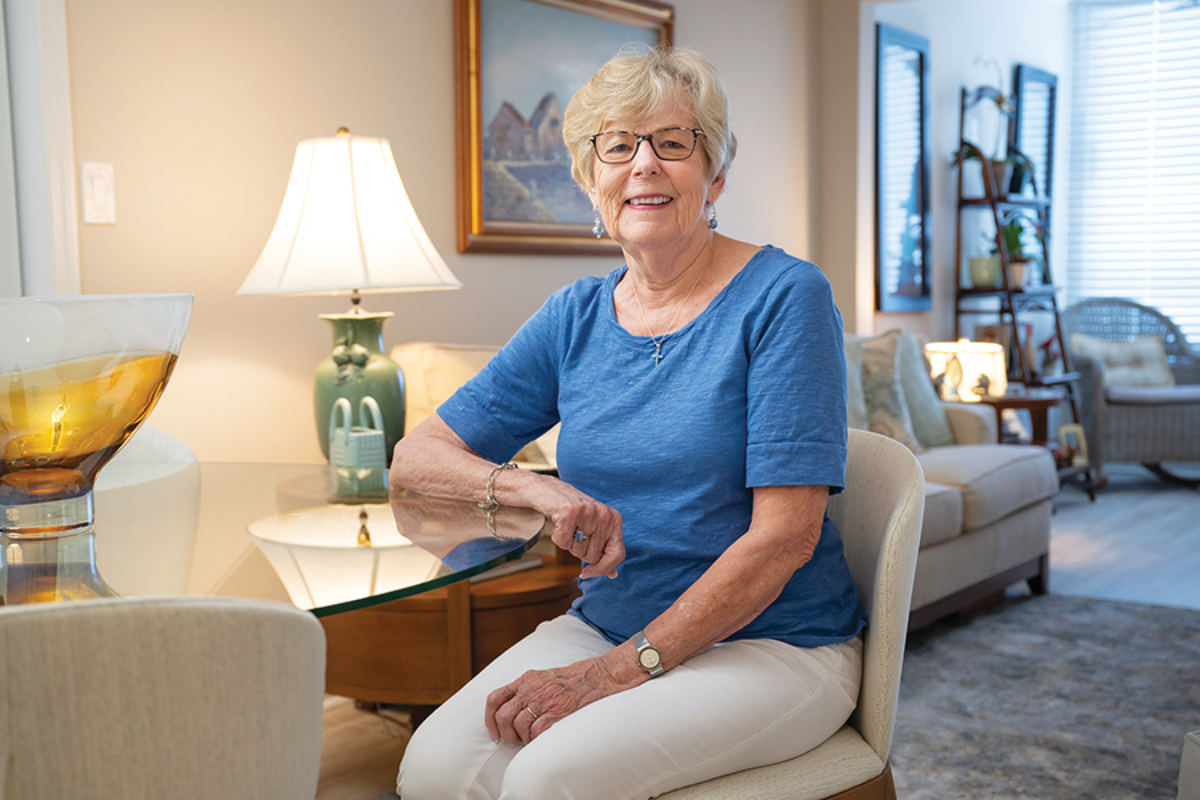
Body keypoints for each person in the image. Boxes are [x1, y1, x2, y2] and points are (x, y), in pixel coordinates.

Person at [391, 45, 866, 800]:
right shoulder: (575, 315)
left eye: (673, 143)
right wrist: (541, 493)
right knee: (430, 770)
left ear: (715, 174)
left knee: (548, 780)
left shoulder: (785, 297)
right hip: (608, 621)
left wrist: (614, 676)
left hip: (777, 644)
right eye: (617, 145)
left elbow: (785, 538)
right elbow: (416, 461)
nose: (643, 164)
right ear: (590, 179)